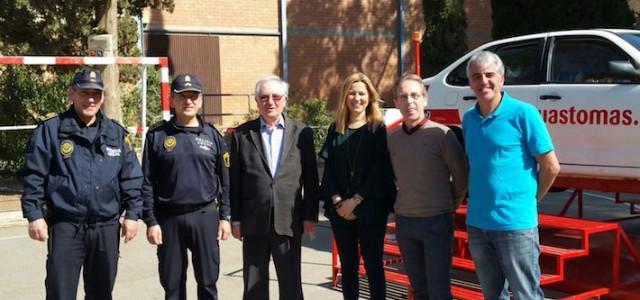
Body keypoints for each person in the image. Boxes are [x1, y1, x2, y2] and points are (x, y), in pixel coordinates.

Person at [19, 69, 143, 300]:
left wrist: (133, 214)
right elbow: (33, 175)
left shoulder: (116, 134)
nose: (90, 100)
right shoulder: (51, 131)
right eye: (84, 93)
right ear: (72, 94)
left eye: (96, 94)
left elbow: (131, 178)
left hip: (106, 227)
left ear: (103, 97)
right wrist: (34, 215)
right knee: (60, 292)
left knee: (101, 293)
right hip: (67, 226)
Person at [462, 51, 560, 299]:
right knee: (492, 295)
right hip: (478, 224)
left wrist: (531, 200)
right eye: (476, 76)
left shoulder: (523, 114)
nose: (483, 81)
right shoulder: (469, 119)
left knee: (526, 294)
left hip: (515, 225)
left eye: (489, 74)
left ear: (502, 79)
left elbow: (551, 167)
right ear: (470, 83)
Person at [141, 74, 231, 300]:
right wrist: (151, 221)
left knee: (208, 281)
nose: (188, 101)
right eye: (182, 96)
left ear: (200, 100)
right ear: (172, 100)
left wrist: (225, 217)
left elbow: (226, 179)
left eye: (193, 96)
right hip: (169, 218)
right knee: (172, 284)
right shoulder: (157, 136)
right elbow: (147, 182)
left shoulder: (213, 136)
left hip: (205, 215)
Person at [229, 75, 319, 300]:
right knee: (254, 285)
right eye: (264, 97)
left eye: (276, 96)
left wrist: (310, 215)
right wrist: (235, 219)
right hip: (253, 221)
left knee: (290, 284)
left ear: (285, 100)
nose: (270, 101)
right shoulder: (241, 135)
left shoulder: (302, 133)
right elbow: (235, 181)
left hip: (289, 220)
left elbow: (310, 178)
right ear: (257, 101)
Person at [387, 73, 468, 300]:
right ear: (396, 102)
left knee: (439, 290)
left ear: (425, 99)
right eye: (403, 96)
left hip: (437, 221)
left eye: (415, 95)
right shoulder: (392, 139)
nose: (409, 101)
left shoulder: (443, 135)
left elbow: (460, 177)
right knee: (418, 289)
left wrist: (447, 205)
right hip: (405, 222)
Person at [318, 72, 396, 300]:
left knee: (373, 265)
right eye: (351, 93)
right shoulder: (336, 128)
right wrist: (338, 201)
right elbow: (329, 168)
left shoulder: (377, 128)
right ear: (344, 97)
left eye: (361, 93)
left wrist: (355, 201)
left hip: (370, 207)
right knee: (348, 267)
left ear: (370, 97)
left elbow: (380, 170)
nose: (356, 98)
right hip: (340, 209)